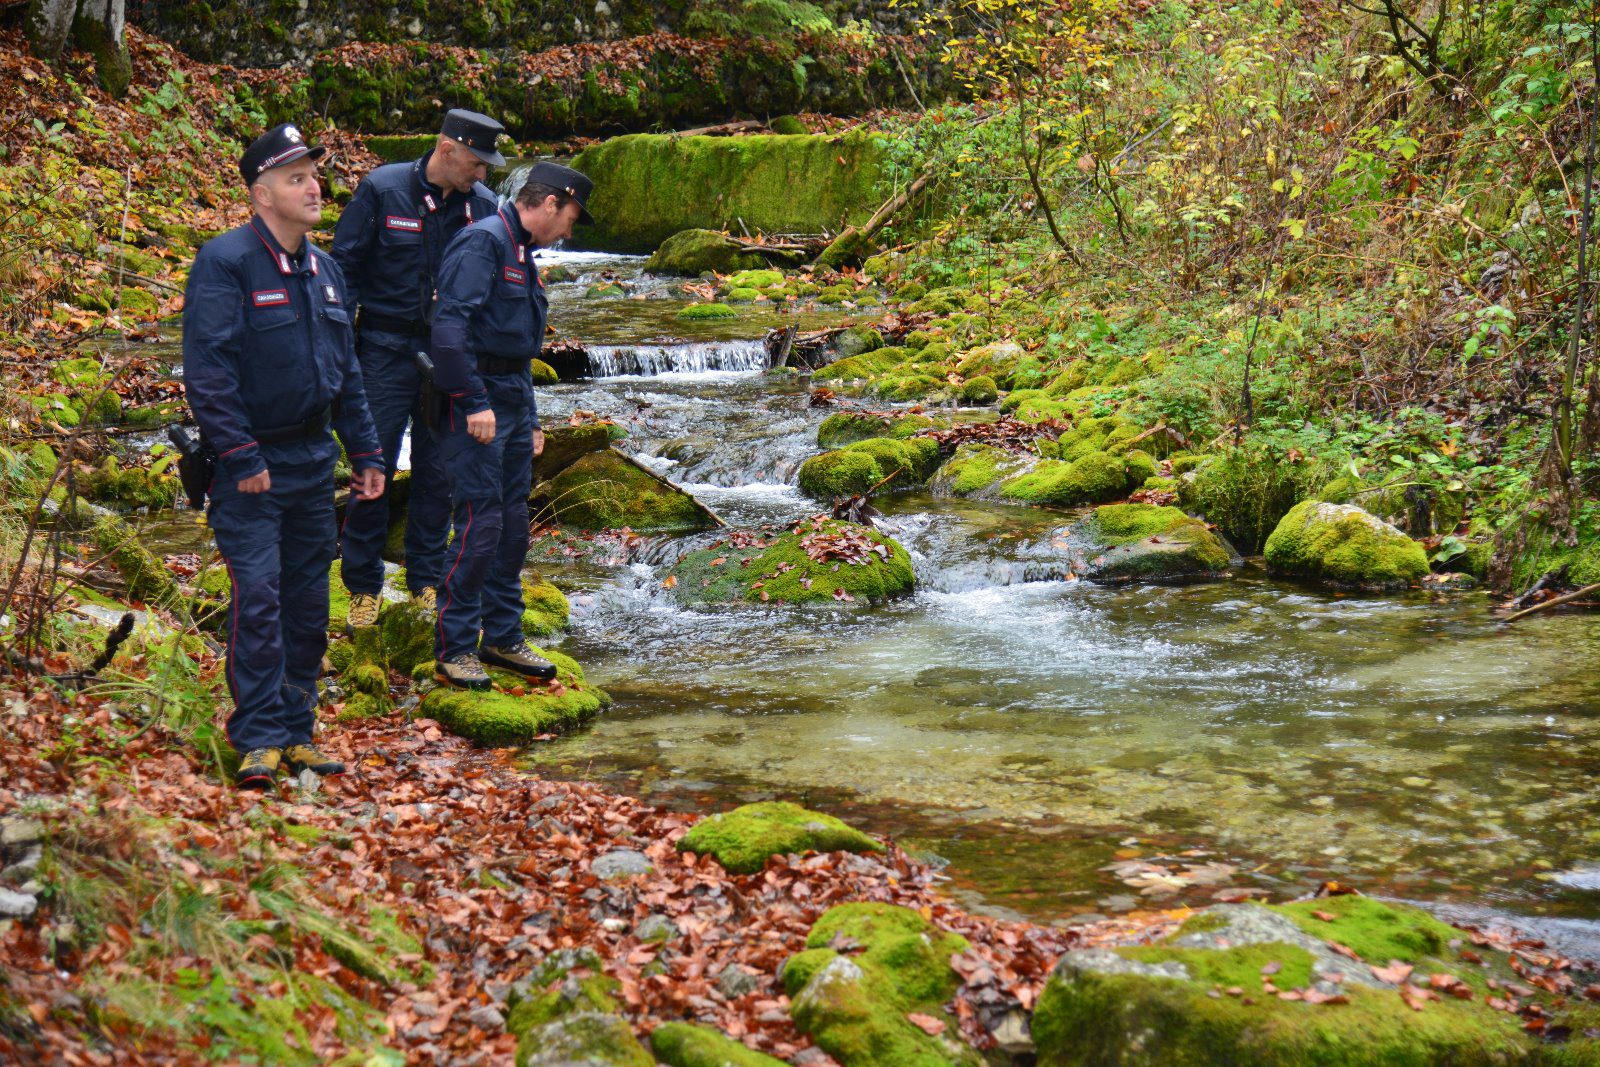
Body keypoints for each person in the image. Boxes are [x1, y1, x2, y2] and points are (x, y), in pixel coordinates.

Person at [182, 123, 386, 789]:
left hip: (309, 462)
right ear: (261, 193)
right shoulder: (226, 262)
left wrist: (366, 450)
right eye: (297, 178)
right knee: (260, 601)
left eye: (313, 175)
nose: (313, 187)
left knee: (306, 606)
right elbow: (208, 371)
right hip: (250, 470)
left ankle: (296, 731)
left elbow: (347, 371)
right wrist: (240, 455)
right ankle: (258, 738)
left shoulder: (324, 270)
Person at [331, 109, 505, 628]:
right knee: (372, 466)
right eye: (476, 162)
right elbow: (344, 272)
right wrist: (339, 349)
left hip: (450, 356)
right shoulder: (382, 190)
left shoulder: (485, 207)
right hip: (383, 350)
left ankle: (425, 581)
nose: (482, 174)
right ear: (446, 148)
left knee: (438, 474)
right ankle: (362, 586)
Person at [428, 162, 593, 689]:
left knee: (513, 527)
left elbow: (518, 352)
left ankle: (503, 636)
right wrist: (474, 402)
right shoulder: (483, 244)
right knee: (480, 526)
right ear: (548, 204)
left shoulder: (520, 250)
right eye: (569, 218)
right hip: (473, 403)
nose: (568, 231)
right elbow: (449, 333)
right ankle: (454, 647)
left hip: (513, 402)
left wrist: (533, 420)